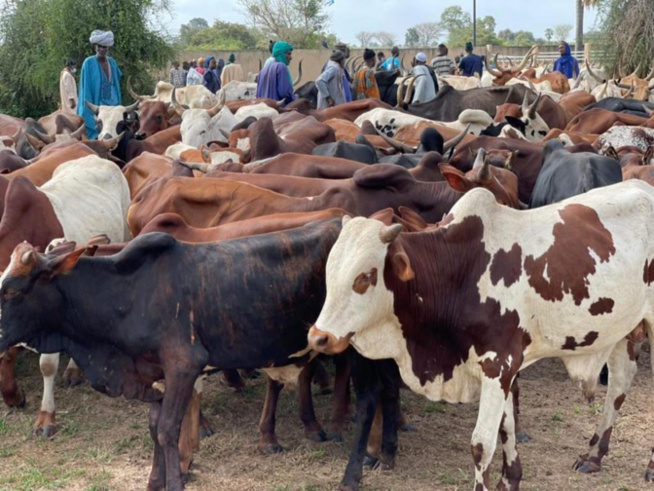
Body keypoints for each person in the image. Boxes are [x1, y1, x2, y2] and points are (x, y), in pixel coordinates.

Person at [77, 30, 122, 139]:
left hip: (113, 107)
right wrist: (90, 114)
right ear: (95, 47)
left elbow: (116, 83)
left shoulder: (112, 62)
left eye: (104, 47)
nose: (102, 49)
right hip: (98, 109)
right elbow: (85, 89)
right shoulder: (88, 63)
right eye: (99, 46)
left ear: (108, 48)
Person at [256, 41, 296, 106]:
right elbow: (284, 92)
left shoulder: (262, 71)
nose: (291, 58)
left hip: (263, 109)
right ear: (281, 54)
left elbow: (258, 95)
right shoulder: (281, 67)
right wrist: (295, 98)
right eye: (289, 54)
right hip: (278, 110)